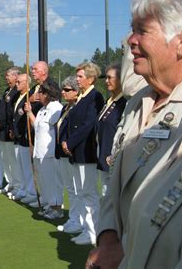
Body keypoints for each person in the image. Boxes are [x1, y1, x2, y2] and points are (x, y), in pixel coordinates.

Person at [87, 0, 182, 269]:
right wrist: (108, 239)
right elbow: (114, 186)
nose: (130, 40)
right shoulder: (137, 102)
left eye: (142, 30)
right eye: (132, 29)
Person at [62, 62, 104, 245]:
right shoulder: (82, 97)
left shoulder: (95, 97)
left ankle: (93, 232)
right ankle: (86, 228)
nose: (77, 80)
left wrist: (70, 143)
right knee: (81, 192)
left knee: (88, 193)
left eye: (80, 76)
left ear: (91, 78)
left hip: (86, 152)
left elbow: (88, 125)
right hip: (77, 152)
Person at [25, 80, 63, 215]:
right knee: (44, 181)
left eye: (40, 92)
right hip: (39, 151)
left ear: (47, 93)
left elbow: (57, 128)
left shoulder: (55, 107)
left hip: (50, 151)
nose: (37, 95)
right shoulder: (42, 109)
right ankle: (49, 204)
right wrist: (29, 113)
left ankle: (57, 208)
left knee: (53, 181)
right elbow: (37, 126)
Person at [55, 76, 81, 229]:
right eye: (62, 89)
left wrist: (68, 143)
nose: (63, 92)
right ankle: (73, 218)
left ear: (76, 92)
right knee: (70, 188)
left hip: (71, 151)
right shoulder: (66, 107)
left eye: (67, 90)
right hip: (62, 152)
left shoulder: (77, 107)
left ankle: (78, 220)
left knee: (76, 188)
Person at [97, 63, 127, 196]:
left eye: (110, 78)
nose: (106, 81)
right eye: (106, 78)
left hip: (114, 157)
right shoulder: (109, 101)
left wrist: (115, 153)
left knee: (112, 194)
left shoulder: (125, 103)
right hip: (103, 153)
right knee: (105, 192)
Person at [11, 73, 37, 203]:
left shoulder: (29, 96)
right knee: (20, 165)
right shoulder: (18, 96)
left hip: (26, 136)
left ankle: (32, 192)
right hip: (18, 136)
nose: (16, 84)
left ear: (27, 83)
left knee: (27, 167)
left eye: (19, 82)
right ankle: (24, 189)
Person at [0, 67, 22, 195]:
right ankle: (10, 183)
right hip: (2, 129)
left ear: (16, 76)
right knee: (5, 158)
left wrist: (12, 129)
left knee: (13, 160)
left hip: (10, 130)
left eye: (8, 75)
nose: (6, 78)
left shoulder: (17, 92)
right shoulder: (7, 90)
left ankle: (17, 185)